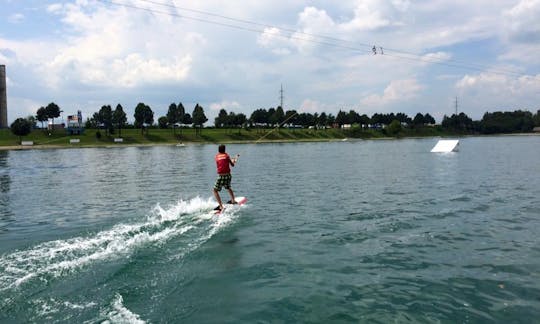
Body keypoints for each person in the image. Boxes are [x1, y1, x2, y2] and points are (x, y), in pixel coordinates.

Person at [213, 144, 239, 212]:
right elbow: (232, 165)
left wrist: (232, 159)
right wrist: (235, 159)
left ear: (218, 150)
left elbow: (221, 162)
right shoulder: (227, 156)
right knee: (228, 187)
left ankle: (221, 206)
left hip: (221, 176)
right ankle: (233, 200)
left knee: (215, 190)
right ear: (225, 150)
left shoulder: (216, 156)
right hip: (228, 176)